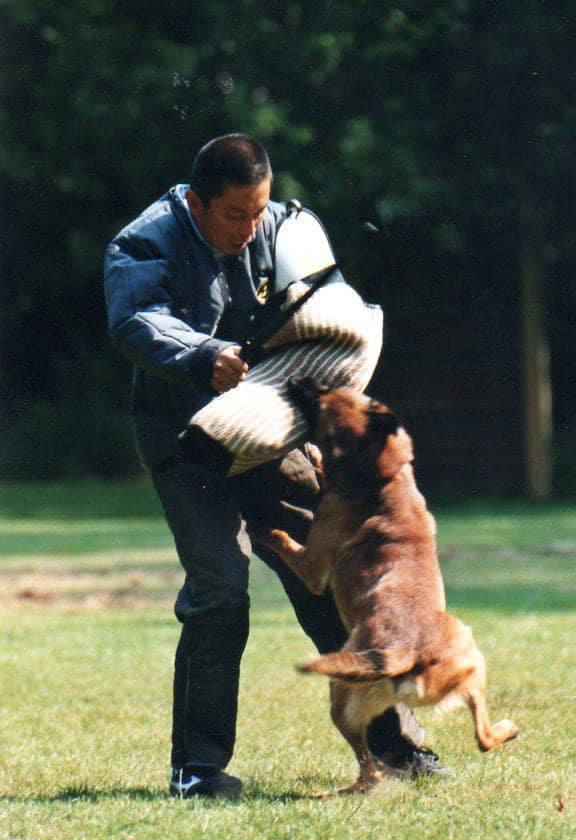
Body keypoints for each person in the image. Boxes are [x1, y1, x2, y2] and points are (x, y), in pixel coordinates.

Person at [104, 134, 449, 799]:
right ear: (197, 203)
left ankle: (394, 742)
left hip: (268, 428)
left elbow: (329, 315)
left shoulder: (284, 227)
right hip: (185, 439)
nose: (250, 229)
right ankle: (198, 770)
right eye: (235, 215)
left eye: (258, 211)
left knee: (330, 576)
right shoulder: (144, 243)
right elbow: (137, 321)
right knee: (220, 592)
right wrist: (202, 354)